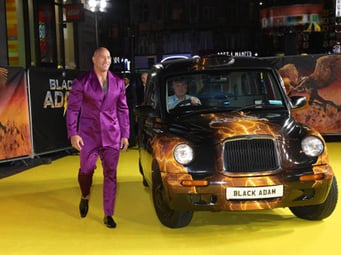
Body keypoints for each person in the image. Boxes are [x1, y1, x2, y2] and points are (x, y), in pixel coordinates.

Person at [66, 47, 130, 228]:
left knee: (111, 174)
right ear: (94, 59)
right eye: (102, 57)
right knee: (86, 169)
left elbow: (123, 109)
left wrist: (125, 134)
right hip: (88, 135)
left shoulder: (118, 82)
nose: (106, 60)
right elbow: (73, 109)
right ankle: (85, 195)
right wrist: (73, 133)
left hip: (112, 134)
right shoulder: (82, 82)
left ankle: (108, 214)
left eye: (109, 57)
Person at [122, 74, 137, 147]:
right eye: (123, 79)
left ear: (128, 80)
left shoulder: (131, 88)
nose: (124, 81)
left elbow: (133, 100)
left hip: (129, 110)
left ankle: (132, 141)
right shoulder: (123, 88)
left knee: (130, 126)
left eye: (125, 79)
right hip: (124, 111)